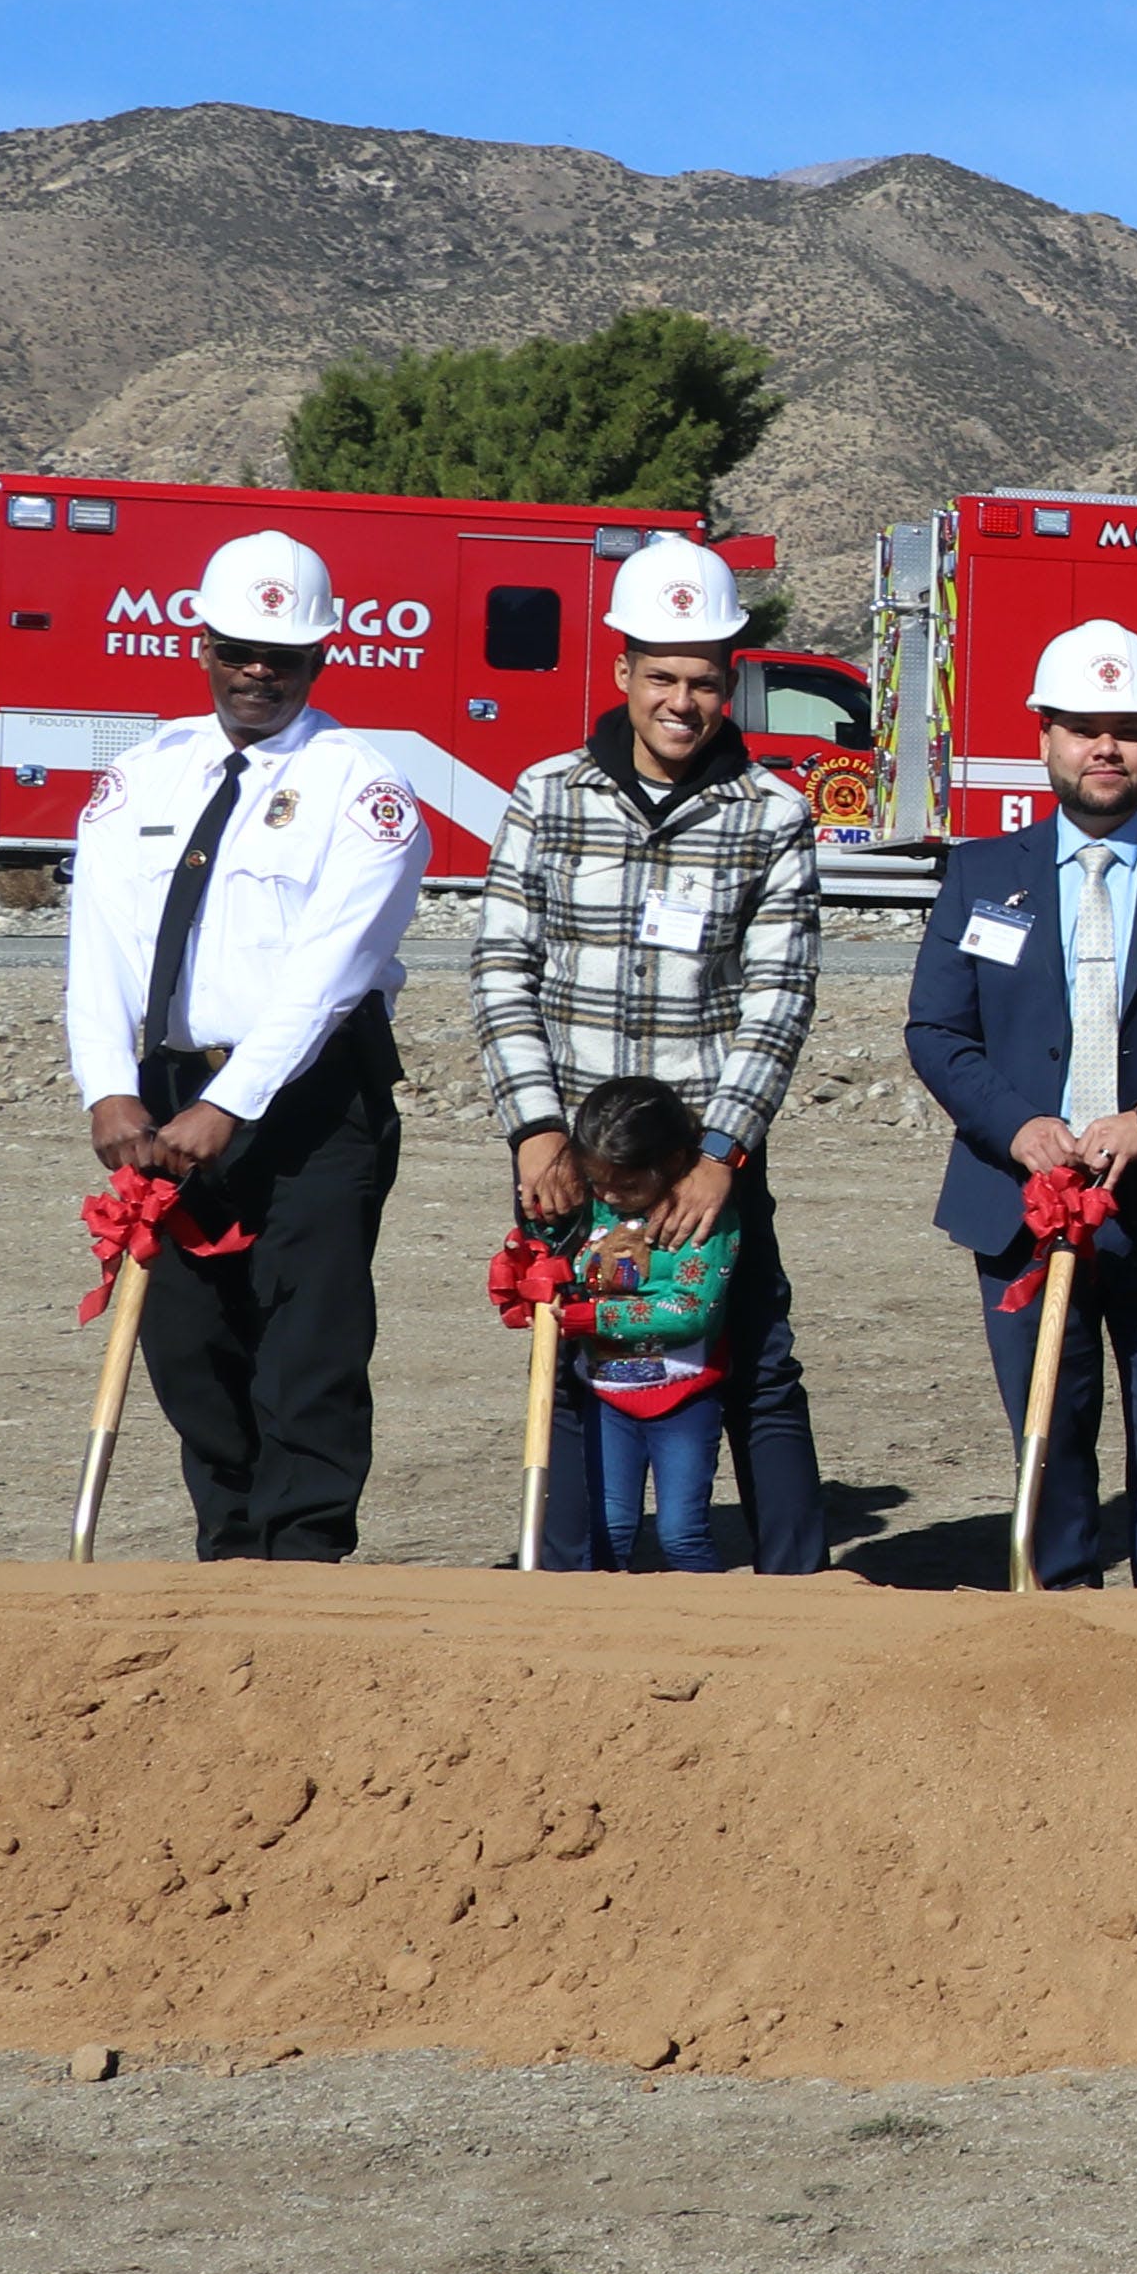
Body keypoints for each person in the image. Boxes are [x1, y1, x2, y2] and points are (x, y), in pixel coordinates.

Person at [52, 528, 429, 1560]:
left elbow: (327, 978)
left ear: (321, 660)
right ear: (204, 646)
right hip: (166, 1091)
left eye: (284, 655)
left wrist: (232, 1104)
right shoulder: (141, 779)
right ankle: (227, 1549)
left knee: (308, 1340)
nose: (258, 672)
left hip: (309, 1103)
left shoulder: (364, 790)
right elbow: (101, 952)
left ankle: (303, 1555)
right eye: (239, 649)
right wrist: (109, 1089)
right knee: (189, 1341)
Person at [902, 619, 1137, 1587]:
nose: (1105, 748)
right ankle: (1061, 1613)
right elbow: (938, 1030)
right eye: (1084, 727)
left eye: (1127, 727)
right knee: (1048, 1432)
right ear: (1045, 737)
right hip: (1021, 1205)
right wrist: (1020, 1126)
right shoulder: (984, 876)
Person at [474, 530, 830, 1574]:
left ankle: (803, 1582)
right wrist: (539, 1131)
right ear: (622, 670)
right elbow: (502, 969)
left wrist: (722, 1151)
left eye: (707, 681)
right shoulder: (546, 796)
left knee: (755, 1355)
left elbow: (780, 995)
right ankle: (575, 1574)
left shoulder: (772, 817)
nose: (684, 701)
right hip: (567, 1151)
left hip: (703, 1164)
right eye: (663, 676)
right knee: (575, 1346)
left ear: (733, 685)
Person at [563, 1073, 744, 1575]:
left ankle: (710, 1634)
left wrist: (594, 1316)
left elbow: (690, 1310)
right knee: (608, 1530)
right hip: (606, 1394)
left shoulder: (705, 1219)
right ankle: (597, 1635)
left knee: (681, 1533)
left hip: (682, 1398)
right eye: (598, 1182)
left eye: (627, 1185)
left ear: (669, 1164)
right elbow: (566, 1262)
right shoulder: (595, 1205)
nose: (611, 1195)